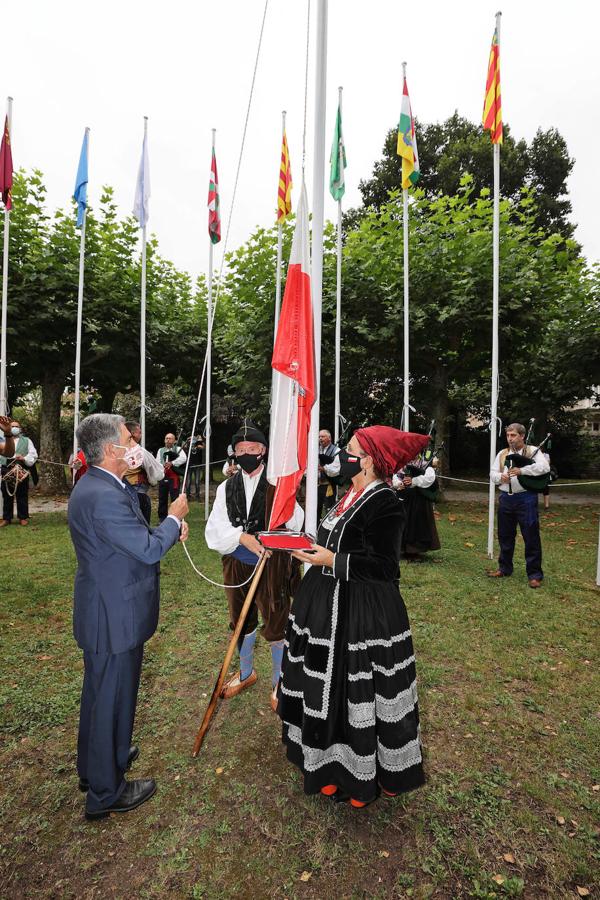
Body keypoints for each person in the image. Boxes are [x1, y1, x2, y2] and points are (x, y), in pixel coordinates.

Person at [277, 425, 430, 808]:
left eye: (352, 451)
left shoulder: (385, 502)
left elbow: (384, 567)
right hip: (324, 603)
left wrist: (333, 560)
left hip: (362, 613)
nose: (344, 456)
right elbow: (335, 539)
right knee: (323, 689)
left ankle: (364, 775)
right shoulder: (350, 494)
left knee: (356, 691)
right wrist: (309, 547)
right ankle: (327, 767)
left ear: (372, 460)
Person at [68, 413, 189, 820]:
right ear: (108, 451)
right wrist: (173, 519)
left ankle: (100, 761)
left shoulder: (102, 484)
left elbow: (133, 537)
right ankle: (106, 791)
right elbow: (147, 548)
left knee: (102, 695)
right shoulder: (101, 495)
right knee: (111, 699)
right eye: (127, 440)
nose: (134, 445)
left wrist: (167, 529)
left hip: (109, 608)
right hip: (112, 615)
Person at [205, 420, 303, 711]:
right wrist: (241, 537)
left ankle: (280, 679)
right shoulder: (226, 487)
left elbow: (296, 522)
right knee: (240, 618)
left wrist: (283, 507)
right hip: (237, 562)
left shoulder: (278, 484)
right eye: (241, 449)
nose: (246, 453)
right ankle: (246, 673)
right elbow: (215, 528)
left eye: (252, 448)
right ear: (234, 452)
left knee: (275, 618)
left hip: (272, 564)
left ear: (264, 450)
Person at [487, 422, 550, 588]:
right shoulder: (502, 453)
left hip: (526, 498)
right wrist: (501, 477)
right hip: (506, 499)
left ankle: (535, 575)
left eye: (513, 435)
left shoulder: (532, 451)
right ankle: (504, 568)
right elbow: (492, 474)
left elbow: (544, 468)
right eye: (508, 435)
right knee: (505, 535)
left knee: (531, 536)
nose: (510, 439)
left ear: (522, 436)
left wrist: (522, 471)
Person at [392, 455, 441, 560]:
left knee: (417, 523)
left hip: (419, 500)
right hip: (404, 498)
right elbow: (395, 475)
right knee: (401, 522)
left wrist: (414, 481)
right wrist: (398, 483)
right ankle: (401, 548)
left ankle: (415, 551)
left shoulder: (425, 462)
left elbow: (430, 478)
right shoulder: (401, 462)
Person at [123, 421, 165, 524]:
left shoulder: (115, 451)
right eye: (139, 432)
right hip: (138, 494)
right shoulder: (140, 452)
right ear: (132, 434)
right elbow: (157, 474)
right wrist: (152, 481)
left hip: (121, 495)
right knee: (142, 528)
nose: (141, 435)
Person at [0, 419, 38, 526]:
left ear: (20, 429)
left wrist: (24, 458)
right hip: (6, 469)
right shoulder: (2, 441)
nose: (14, 428)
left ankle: (23, 517)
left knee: (22, 494)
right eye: (12, 426)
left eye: (16, 426)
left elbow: (33, 454)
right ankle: (7, 518)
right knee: (7, 494)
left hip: (21, 469)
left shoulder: (27, 440)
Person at [156, 433, 186, 523]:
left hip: (173, 478)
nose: (168, 440)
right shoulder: (160, 450)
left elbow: (184, 458)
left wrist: (172, 463)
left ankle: (175, 517)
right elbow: (157, 461)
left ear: (174, 440)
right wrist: (162, 466)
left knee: (175, 498)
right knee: (162, 498)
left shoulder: (177, 449)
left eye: (170, 438)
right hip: (163, 476)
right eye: (166, 438)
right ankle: (162, 518)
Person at [317, 429, 340, 521]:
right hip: (316, 485)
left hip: (328, 485)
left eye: (323, 436)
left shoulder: (336, 450)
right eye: (319, 437)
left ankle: (327, 529)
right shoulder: (315, 449)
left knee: (329, 508)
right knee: (315, 508)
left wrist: (324, 468)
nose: (320, 439)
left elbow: (337, 468)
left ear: (329, 438)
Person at [183, 434, 204, 500]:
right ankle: (188, 496)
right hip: (189, 466)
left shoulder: (198, 446)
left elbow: (203, 447)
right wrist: (187, 440)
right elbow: (182, 447)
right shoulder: (187, 447)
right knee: (188, 482)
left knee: (197, 482)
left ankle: (197, 496)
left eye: (193, 439)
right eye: (191, 440)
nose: (192, 441)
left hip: (197, 466)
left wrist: (199, 440)